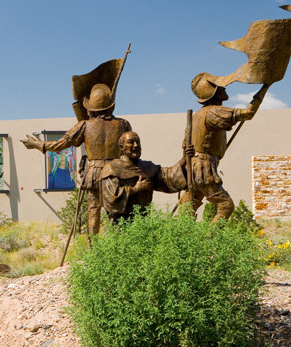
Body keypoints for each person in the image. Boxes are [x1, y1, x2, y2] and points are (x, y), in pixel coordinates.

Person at [22, 83, 131, 234]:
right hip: (115, 174)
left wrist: (37, 144)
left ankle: (93, 251)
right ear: (111, 107)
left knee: (93, 213)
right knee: (117, 214)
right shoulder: (123, 124)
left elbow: (60, 145)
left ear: (90, 109)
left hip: (94, 174)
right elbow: (130, 151)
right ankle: (117, 251)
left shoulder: (84, 125)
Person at [179, 73, 269, 221]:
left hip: (194, 168)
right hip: (203, 168)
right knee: (226, 205)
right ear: (214, 92)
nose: (224, 88)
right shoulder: (214, 111)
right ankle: (210, 240)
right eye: (220, 86)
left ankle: (181, 237)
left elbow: (185, 144)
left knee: (187, 208)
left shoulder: (196, 116)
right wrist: (264, 88)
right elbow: (248, 113)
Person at [101, 131, 189, 224]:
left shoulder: (147, 167)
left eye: (137, 142)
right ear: (122, 147)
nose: (135, 145)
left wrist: (184, 159)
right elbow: (110, 198)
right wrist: (135, 189)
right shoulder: (112, 168)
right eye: (130, 142)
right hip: (119, 226)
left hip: (142, 223)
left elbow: (168, 177)